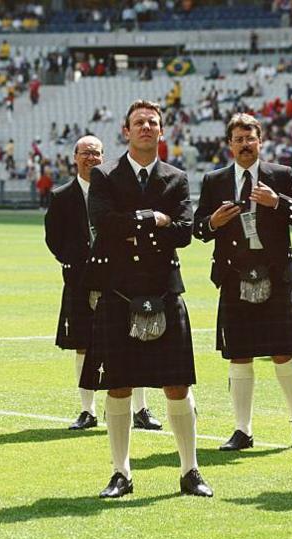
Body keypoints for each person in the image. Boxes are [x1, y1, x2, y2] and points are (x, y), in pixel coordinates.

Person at [82, 100, 212, 499]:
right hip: (120, 292)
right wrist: (153, 219)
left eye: (152, 122)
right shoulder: (104, 175)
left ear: (162, 132)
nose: (145, 127)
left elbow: (185, 232)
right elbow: (102, 224)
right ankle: (121, 472)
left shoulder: (176, 177)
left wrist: (137, 225)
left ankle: (190, 470)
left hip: (164, 290)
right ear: (126, 131)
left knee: (177, 384)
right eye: (138, 122)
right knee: (118, 386)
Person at [192, 113, 292, 452]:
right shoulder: (215, 180)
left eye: (251, 139)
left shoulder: (281, 175)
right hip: (234, 274)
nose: (245, 145)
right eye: (239, 139)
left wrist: (277, 202)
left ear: (260, 141)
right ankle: (242, 430)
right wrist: (213, 223)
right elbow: (197, 228)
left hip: (275, 273)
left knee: (283, 352)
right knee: (239, 355)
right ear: (229, 144)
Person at [44, 135, 162, 431]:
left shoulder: (115, 188)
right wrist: (72, 261)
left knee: (133, 338)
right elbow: (53, 238)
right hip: (80, 279)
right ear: (74, 157)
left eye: (96, 154)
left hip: (119, 276)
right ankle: (87, 411)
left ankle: (141, 409)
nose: (91, 158)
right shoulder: (61, 196)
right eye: (85, 153)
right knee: (82, 344)